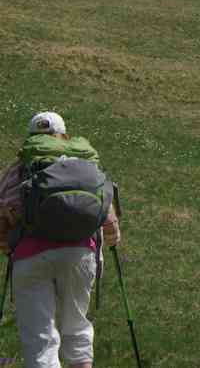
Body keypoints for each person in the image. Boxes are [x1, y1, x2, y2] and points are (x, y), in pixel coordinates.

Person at [0, 112, 120, 368]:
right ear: (64, 136)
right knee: (76, 328)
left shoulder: (20, 168)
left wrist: (6, 245)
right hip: (80, 254)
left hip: (31, 256)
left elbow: (4, 212)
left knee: (40, 340)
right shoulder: (87, 166)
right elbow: (109, 218)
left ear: (31, 139)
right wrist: (112, 238)